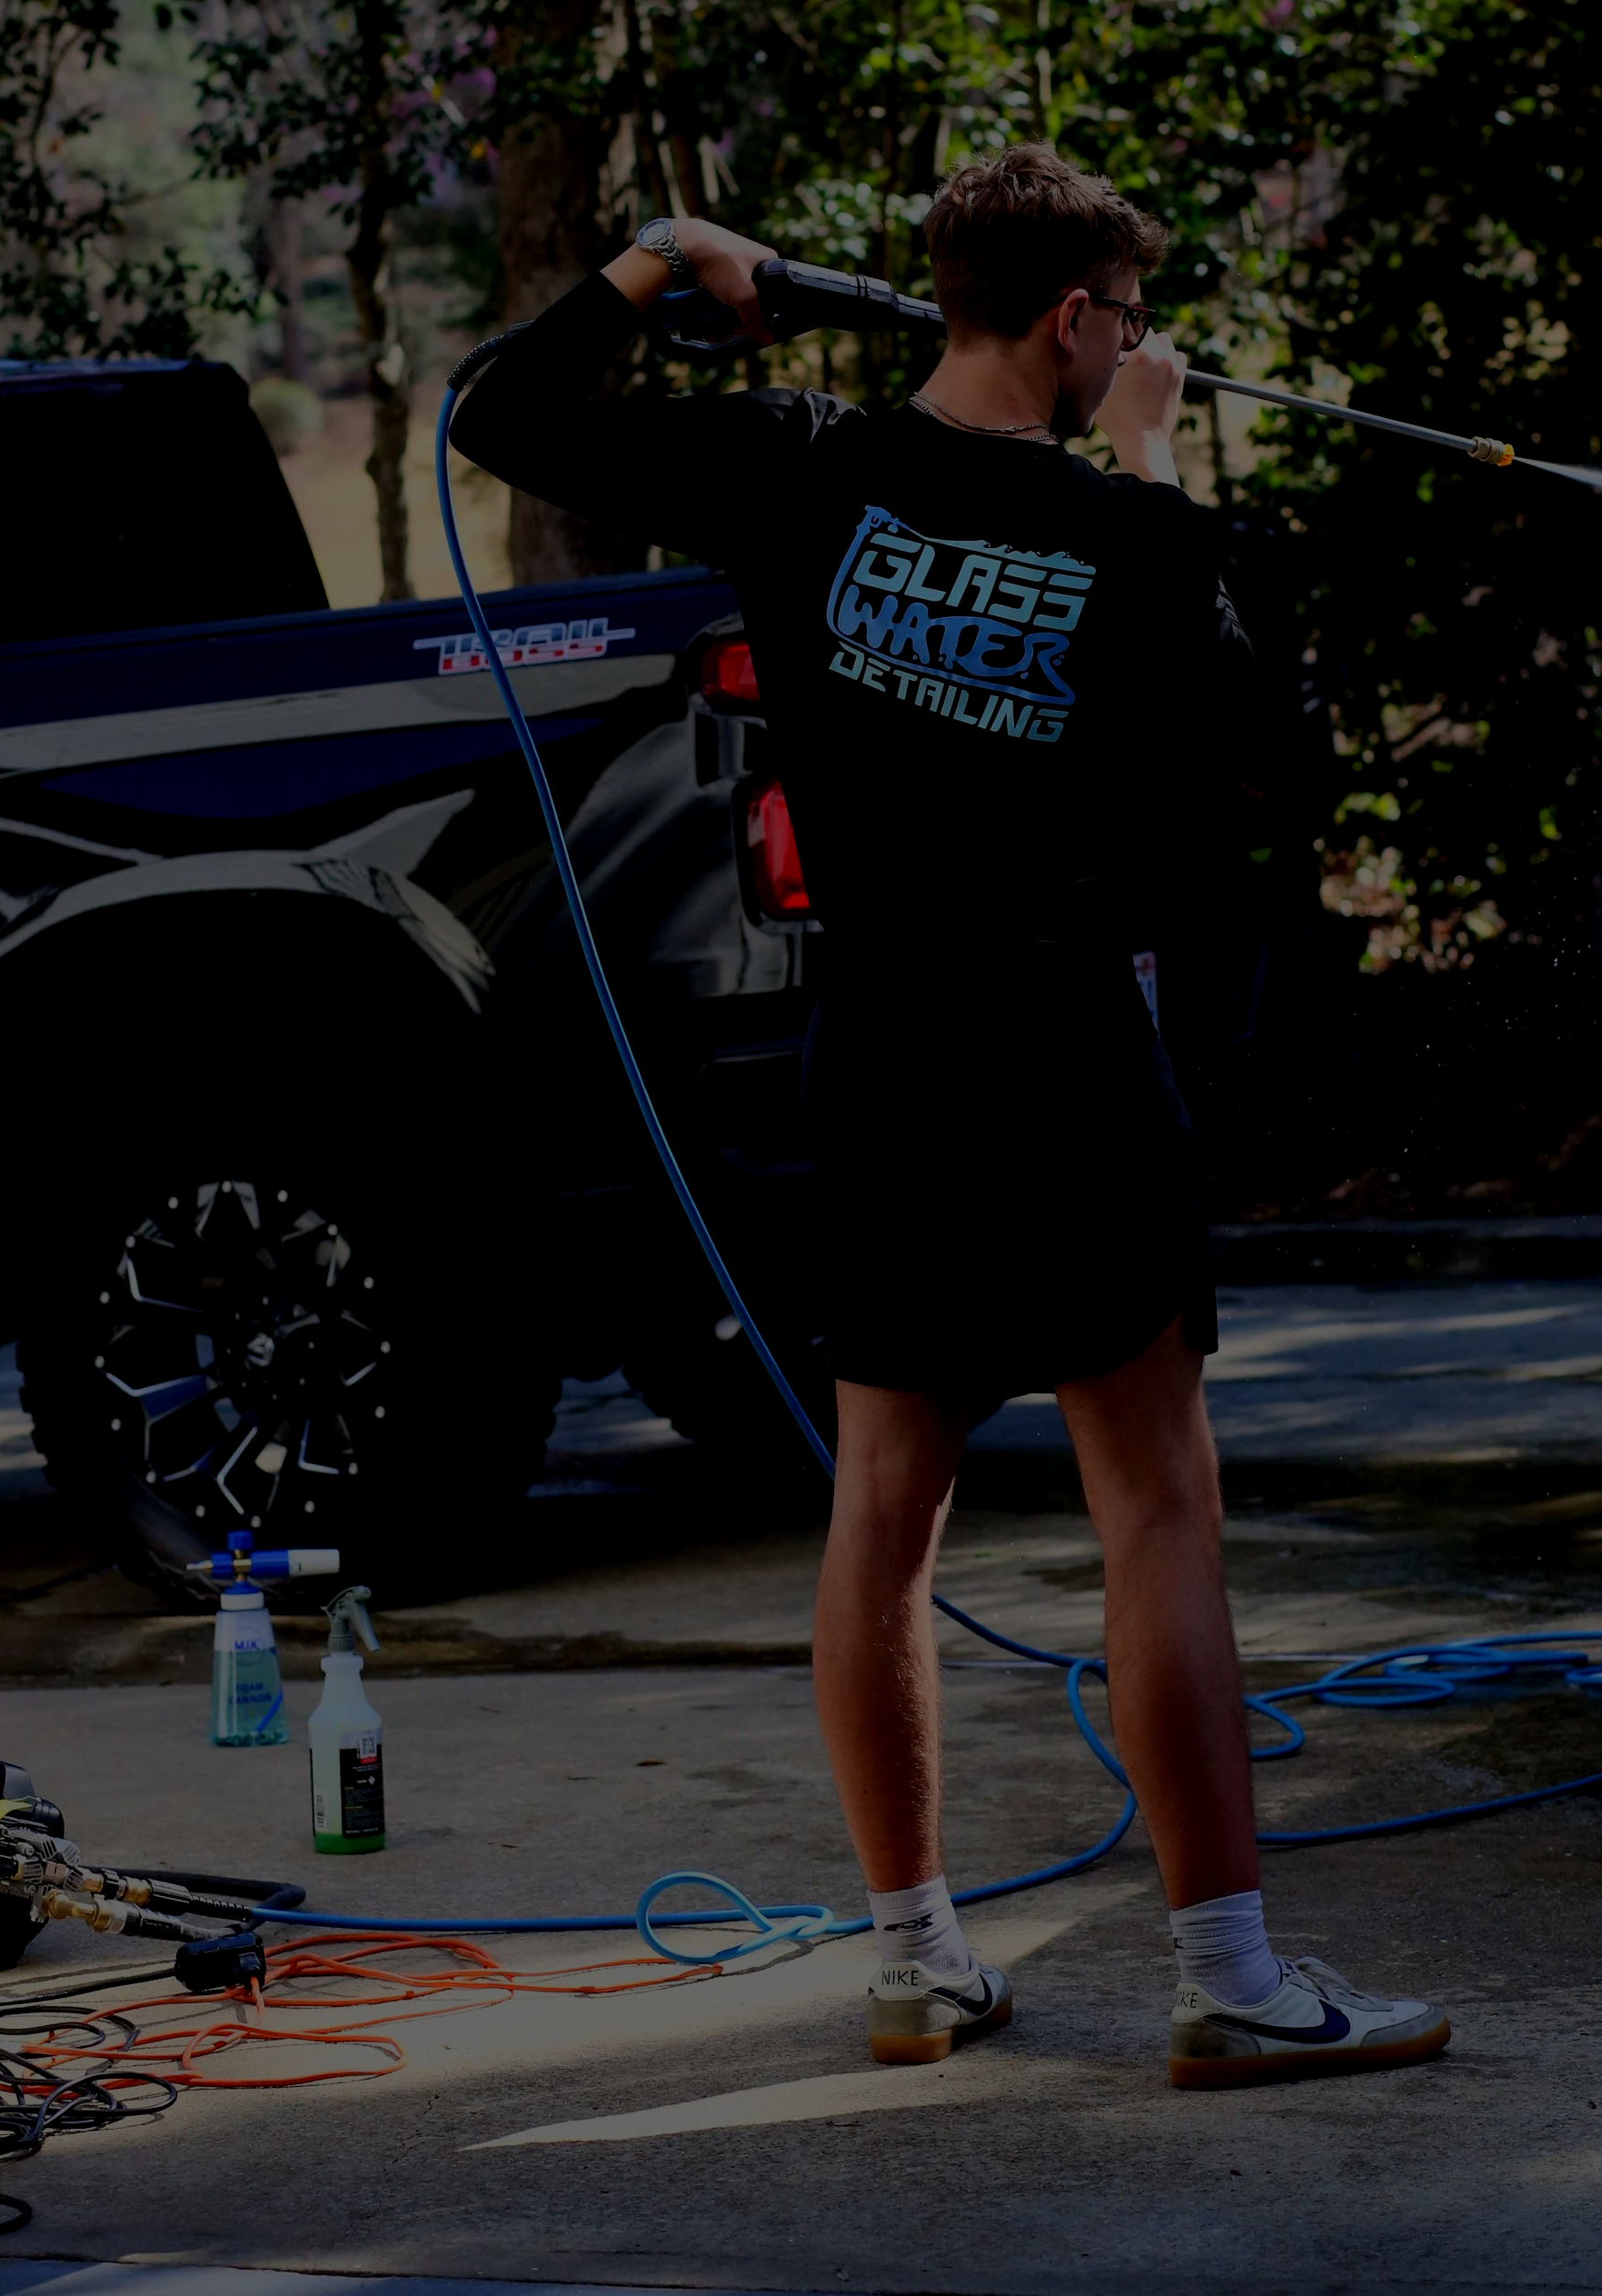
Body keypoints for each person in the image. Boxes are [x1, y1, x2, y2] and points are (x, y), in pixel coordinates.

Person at [450, 143, 1448, 2090]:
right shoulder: (1125, 530)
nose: (1129, 349)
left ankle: (916, 1962)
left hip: (882, 1050)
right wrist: (1149, 464)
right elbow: (1260, 758)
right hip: (1061, 1051)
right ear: (1073, 317)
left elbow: (506, 412)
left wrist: (659, 258)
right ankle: (1230, 1979)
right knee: (1154, 1501)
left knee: (881, 1509)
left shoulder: (797, 464)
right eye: (1124, 323)